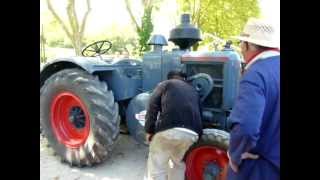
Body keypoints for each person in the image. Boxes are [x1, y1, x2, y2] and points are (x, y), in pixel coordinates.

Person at [227, 18, 280, 180]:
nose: (241, 50)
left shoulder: (256, 74)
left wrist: (235, 155)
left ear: (248, 45)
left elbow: (246, 128)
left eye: (242, 44)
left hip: (260, 169)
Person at [144, 70, 203, 180]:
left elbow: (152, 106)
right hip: (191, 134)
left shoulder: (165, 84)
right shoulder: (193, 90)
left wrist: (149, 130)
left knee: (157, 167)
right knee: (178, 164)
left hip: (169, 129)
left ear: (169, 78)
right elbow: (200, 113)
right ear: (183, 79)